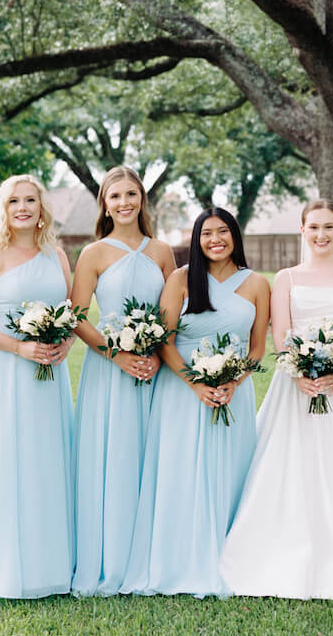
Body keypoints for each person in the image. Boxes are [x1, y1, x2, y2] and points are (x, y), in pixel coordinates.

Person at [219, 200, 333, 600]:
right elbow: (280, 334)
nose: (321, 235)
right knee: (289, 463)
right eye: (314, 227)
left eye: (329, 227)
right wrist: (301, 371)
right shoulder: (285, 278)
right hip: (294, 387)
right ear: (303, 230)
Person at [122, 208, 270, 597]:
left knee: (229, 470)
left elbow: (257, 349)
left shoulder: (256, 284)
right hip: (181, 394)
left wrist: (232, 382)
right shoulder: (181, 279)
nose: (215, 239)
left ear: (235, 236)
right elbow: (165, 341)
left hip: (232, 395)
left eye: (223, 231)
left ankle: (230, 559)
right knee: (180, 471)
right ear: (196, 239)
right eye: (207, 233)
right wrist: (196, 383)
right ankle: (178, 561)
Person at [0, 174, 75, 598]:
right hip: (5, 373)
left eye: (30, 200)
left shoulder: (57, 255)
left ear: (42, 208)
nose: (22, 208)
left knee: (50, 461)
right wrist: (18, 348)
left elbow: (72, 312)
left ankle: (53, 567)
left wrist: (65, 342)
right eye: (13, 201)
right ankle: (6, 573)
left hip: (50, 376)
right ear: (2, 210)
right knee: (8, 465)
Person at [69, 166, 176, 596]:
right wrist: (120, 355)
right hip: (109, 371)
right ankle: (110, 556)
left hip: (154, 370)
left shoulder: (163, 252)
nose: (125, 202)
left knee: (151, 455)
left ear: (142, 200)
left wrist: (154, 350)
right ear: (105, 204)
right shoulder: (93, 254)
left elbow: (175, 311)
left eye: (132, 194)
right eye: (116, 196)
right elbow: (76, 317)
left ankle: (151, 555)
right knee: (111, 456)